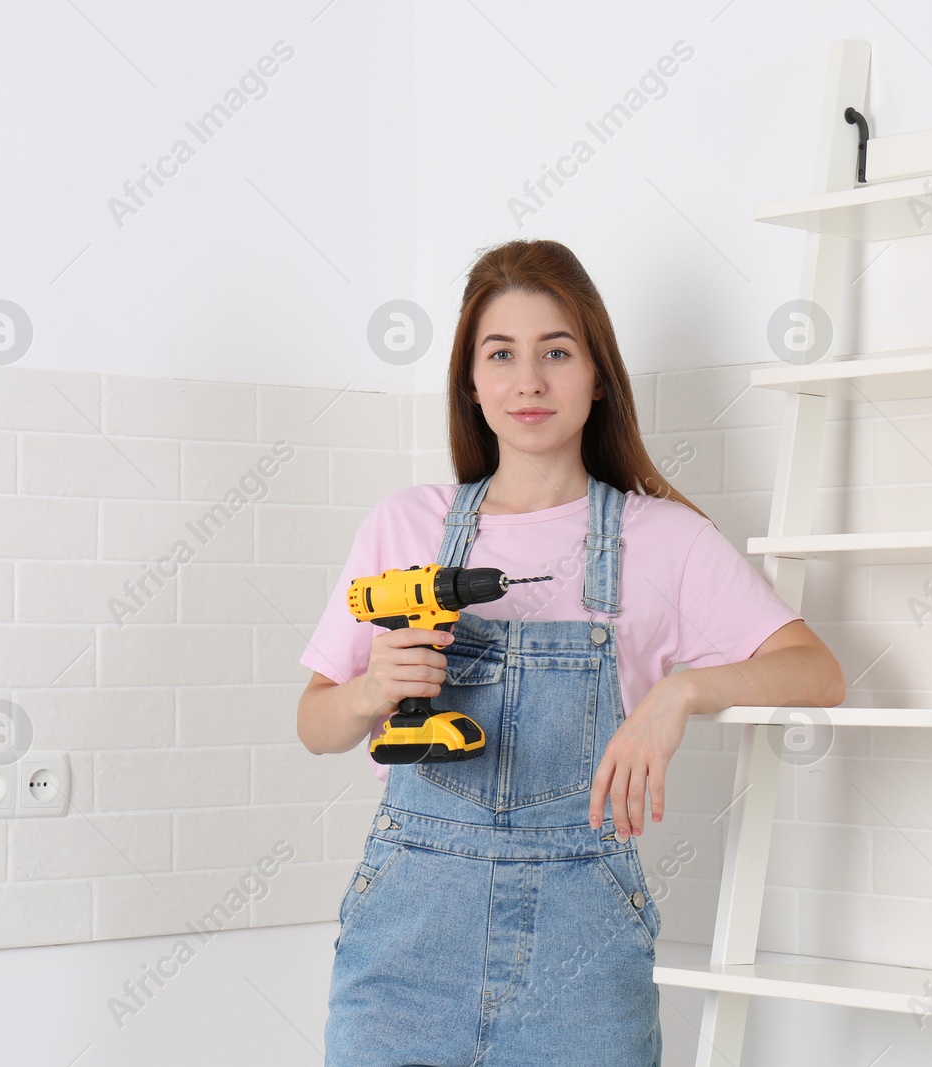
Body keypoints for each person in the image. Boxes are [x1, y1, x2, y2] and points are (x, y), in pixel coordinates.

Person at [297, 238, 845, 1066]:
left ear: (597, 374)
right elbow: (314, 723)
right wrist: (371, 690)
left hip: (581, 967)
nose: (529, 381)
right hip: (401, 960)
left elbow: (817, 671)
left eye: (557, 351)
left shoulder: (664, 539)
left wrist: (682, 692)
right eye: (502, 354)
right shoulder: (404, 524)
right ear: (471, 383)